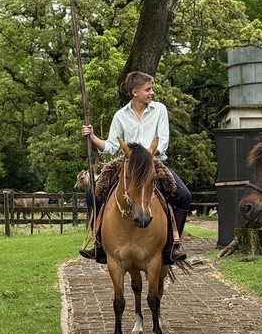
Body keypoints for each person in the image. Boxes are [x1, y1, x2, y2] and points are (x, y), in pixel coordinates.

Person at [81, 71, 191, 264]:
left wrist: (149, 154)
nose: (152, 93)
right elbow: (112, 146)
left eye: (151, 89)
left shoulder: (160, 110)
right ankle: (98, 244)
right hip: (127, 164)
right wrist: (92, 138)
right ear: (134, 92)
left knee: (184, 195)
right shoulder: (120, 115)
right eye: (148, 89)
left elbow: (163, 141)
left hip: (154, 162)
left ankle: (173, 246)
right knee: (92, 194)